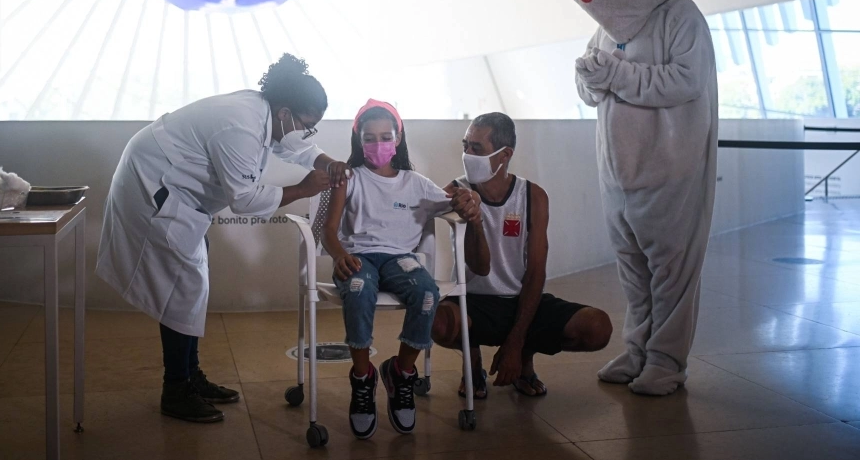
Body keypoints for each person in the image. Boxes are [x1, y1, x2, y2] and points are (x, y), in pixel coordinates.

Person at [97, 54, 350, 423]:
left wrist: (327, 162)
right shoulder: (241, 124)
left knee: (191, 281)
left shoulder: (266, 113)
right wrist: (303, 188)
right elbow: (244, 199)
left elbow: (293, 146)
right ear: (285, 113)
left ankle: (191, 375)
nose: (309, 133)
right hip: (152, 186)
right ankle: (177, 388)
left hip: (176, 190)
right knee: (183, 286)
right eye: (308, 125)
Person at [554, 0, 718, 396]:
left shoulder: (681, 17)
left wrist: (616, 74)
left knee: (672, 272)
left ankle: (667, 361)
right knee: (633, 273)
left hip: (671, 173)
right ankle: (638, 348)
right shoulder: (605, 29)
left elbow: (682, 82)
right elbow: (596, 92)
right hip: (618, 177)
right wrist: (589, 78)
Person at [321, 99, 486, 439]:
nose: (378, 144)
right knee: (356, 289)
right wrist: (339, 256)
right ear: (358, 140)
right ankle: (363, 379)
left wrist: (470, 198)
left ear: (397, 139)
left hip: (401, 258)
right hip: (359, 256)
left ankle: (401, 372)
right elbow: (329, 230)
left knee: (427, 293)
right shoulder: (349, 179)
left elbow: (453, 200)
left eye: (385, 136)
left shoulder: (416, 182)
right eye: (369, 137)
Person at [432, 112, 613, 398]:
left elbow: (536, 271)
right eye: (465, 145)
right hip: (471, 300)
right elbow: (474, 263)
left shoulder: (532, 196)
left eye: (476, 148)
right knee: (435, 320)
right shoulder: (456, 191)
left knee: (597, 327)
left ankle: (525, 360)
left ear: (504, 155)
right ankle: (473, 360)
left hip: (519, 298)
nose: (467, 154)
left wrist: (516, 344)